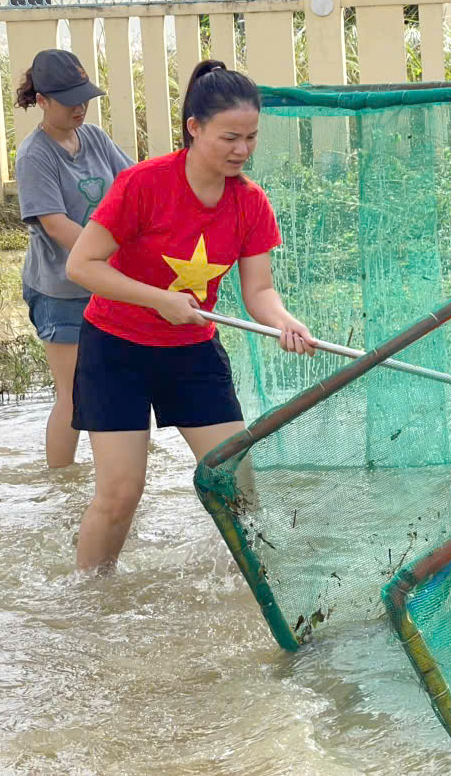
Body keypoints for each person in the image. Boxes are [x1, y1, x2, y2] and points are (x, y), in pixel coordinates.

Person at [65, 59, 317, 572]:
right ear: (194, 128)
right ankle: (88, 603)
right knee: (121, 493)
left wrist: (282, 321)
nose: (242, 150)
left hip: (192, 352)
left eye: (250, 137)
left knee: (238, 485)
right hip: (116, 351)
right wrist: (158, 298)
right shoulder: (143, 185)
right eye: (229, 138)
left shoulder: (251, 203)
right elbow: (81, 265)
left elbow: (260, 290)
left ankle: (249, 591)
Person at [14, 49, 133, 469]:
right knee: (73, 390)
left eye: (84, 97)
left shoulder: (95, 138)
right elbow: (55, 224)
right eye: (69, 100)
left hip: (104, 282)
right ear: (43, 100)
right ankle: (60, 484)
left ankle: (122, 468)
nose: (80, 107)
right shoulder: (35, 156)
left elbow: (132, 186)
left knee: (117, 381)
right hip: (61, 290)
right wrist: (104, 260)